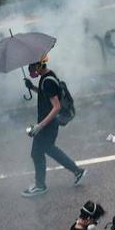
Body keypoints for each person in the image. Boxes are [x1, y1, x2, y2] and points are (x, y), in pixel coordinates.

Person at [21, 56, 86, 197]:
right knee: (47, 150)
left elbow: (56, 107)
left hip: (47, 125)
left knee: (39, 152)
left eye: (32, 66)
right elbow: (46, 94)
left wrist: (40, 126)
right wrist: (32, 87)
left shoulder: (47, 81)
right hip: (48, 124)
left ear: (39, 65)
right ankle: (77, 171)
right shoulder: (47, 77)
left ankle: (40, 185)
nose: (29, 69)